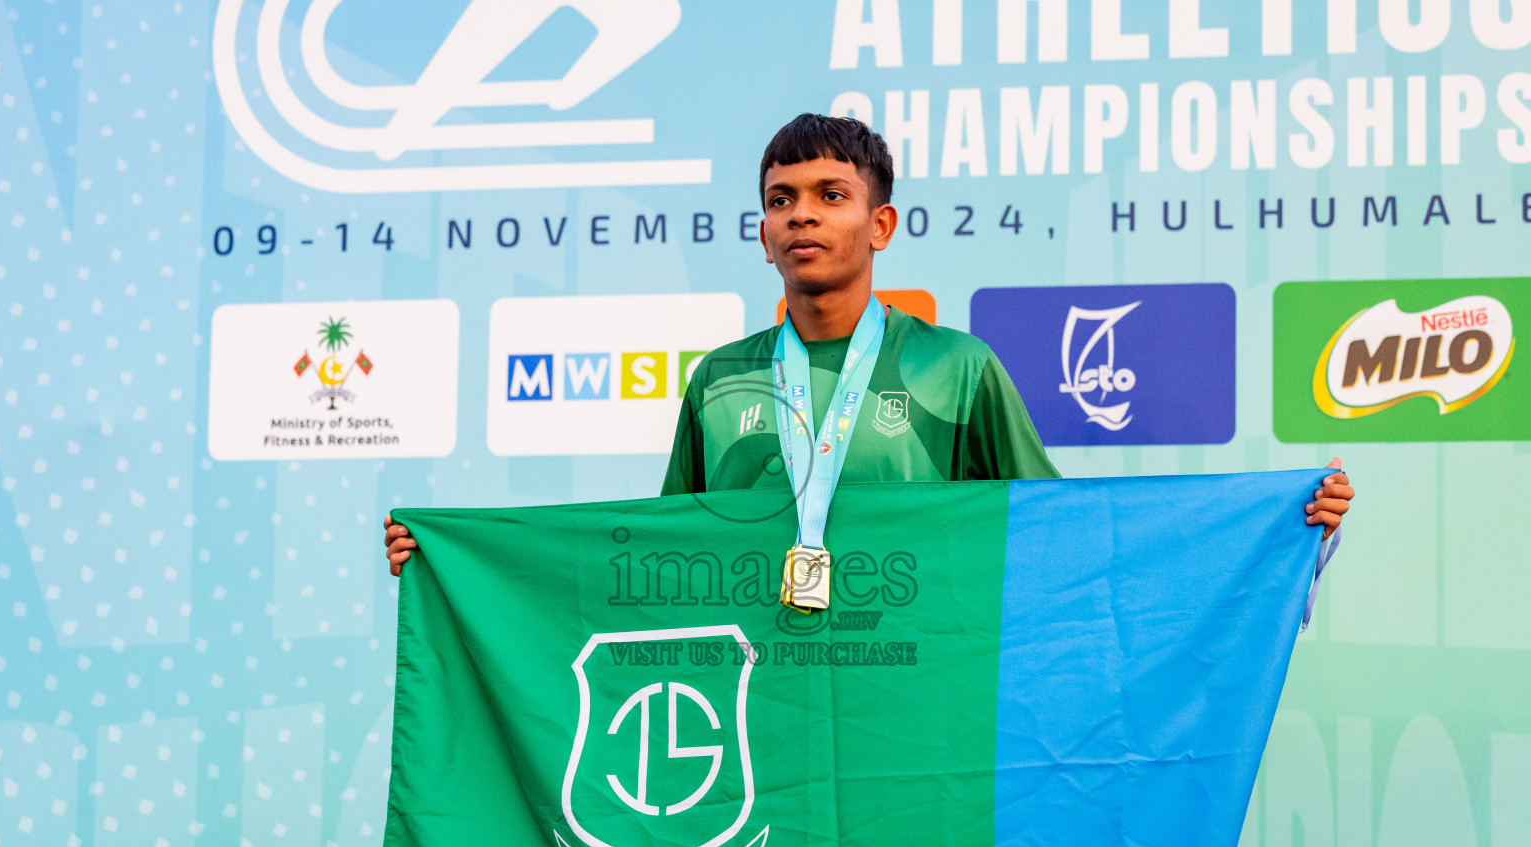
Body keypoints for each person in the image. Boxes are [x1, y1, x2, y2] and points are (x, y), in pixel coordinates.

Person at [385, 114, 1352, 574]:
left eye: (829, 196)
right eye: (779, 201)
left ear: (880, 226)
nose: (802, 216)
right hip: (755, 688)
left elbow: (1060, 536)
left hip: (918, 686)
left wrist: (1275, 526)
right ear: (761, 231)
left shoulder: (955, 367)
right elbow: (654, 557)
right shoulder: (719, 381)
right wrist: (451, 563)